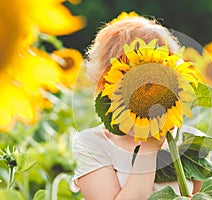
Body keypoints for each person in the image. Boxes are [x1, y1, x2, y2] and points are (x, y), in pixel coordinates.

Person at [69, 13, 202, 200]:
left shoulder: (191, 142)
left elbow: (205, 194)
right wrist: (148, 145)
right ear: (107, 84)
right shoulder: (93, 144)